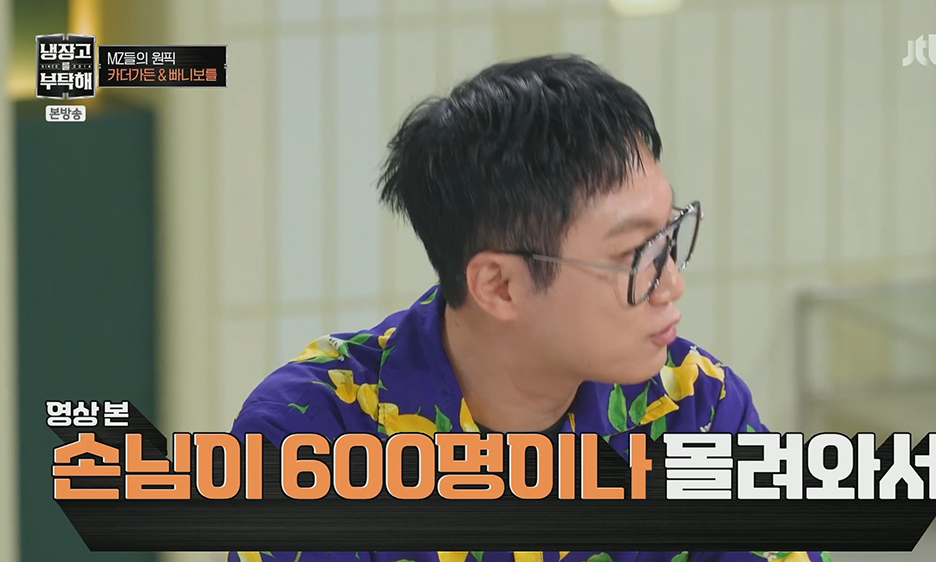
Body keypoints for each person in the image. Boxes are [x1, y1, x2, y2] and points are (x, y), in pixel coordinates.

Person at [229, 55, 831, 562]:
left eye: (669, 237)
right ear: (499, 287)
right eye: (635, 255)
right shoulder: (310, 438)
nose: (671, 282)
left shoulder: (696, 406)